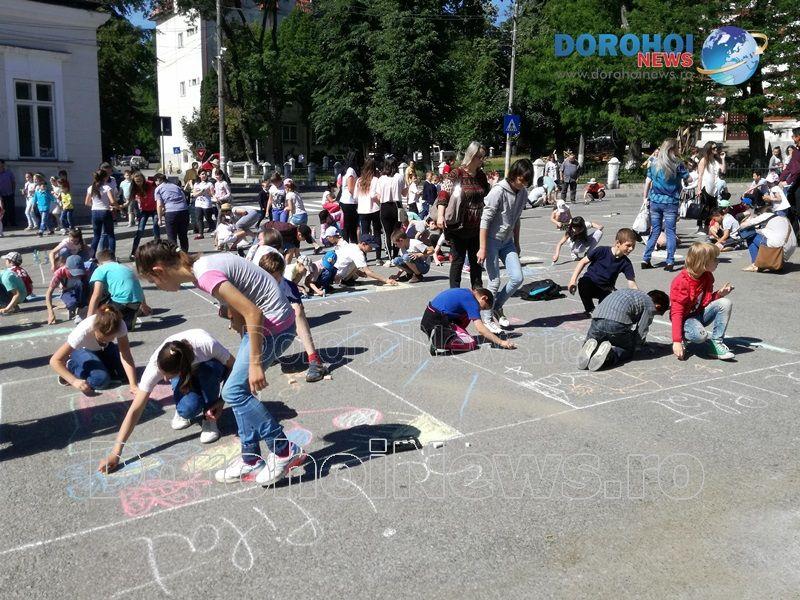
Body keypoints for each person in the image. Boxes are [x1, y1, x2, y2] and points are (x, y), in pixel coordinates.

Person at [132, 240, 305, 485]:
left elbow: (254, 312)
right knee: (237, 390)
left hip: (273, 327)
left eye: (153, 282)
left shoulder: (204, 274)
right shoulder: (200, 269)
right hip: (267, 325)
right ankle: (251, 458)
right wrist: (234, 317)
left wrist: (255, 363)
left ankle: (284, 450)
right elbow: (241, 299)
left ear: (158, 270)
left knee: (234, 391)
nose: (157, 287)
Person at [97, 332, 236, 472]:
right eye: (162, 373)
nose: (164, 379)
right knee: (188, 409)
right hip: (185, 372)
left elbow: (234, 367)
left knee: (210, 369)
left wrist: (221, 401)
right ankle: (183, 406)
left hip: (208, 367)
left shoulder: (206, 345)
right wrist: (115, 453)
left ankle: (210, 417)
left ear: (181, 371)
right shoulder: (155, 366)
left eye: (167, 375)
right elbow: (135, 410)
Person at [478, 158, 533, 333]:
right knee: (494, 281)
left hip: (507, 242)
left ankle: (496, 306)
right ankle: (487, 319)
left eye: (526, 182)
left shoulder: (523, 192)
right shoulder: (498, 191)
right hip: (492, 241)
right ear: (514, 175)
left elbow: (516, 219)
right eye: (521, 180)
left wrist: (517, 242)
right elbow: (485, 220)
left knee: (517, 278)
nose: (523, 184)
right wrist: (482, 248)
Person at [258, 251, 329, 382]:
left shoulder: (288, 286)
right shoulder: (253, 284)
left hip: (281, 327)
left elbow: (298, 311)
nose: (270, 281)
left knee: (297, 310)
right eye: (267, 277)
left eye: (274, 278)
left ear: (281, 274)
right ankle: (262, 353)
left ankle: (315, 361)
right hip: (262, 329)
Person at [436, 141, 496, 289]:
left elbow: (488, 197)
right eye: (480, 157)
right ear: (471, 156)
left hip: (477, 228)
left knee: (476, 264)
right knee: (458, 262)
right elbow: (443, 194)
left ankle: (477, 292)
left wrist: (494, 184)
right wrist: (440, 215)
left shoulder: (480, 176)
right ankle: (454, 294)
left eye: (483, 157)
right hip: (458, 228)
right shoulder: (457, 173)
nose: (482, 160)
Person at [49, 304, 138, 392]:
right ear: (95, 329)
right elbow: (55, 360)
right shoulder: (82, 332)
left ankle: (103, 365)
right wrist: (74, 381)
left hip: (102, 349)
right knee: (100, 380)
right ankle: (71, 365)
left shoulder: (119, 324)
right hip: (81, 350)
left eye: (112, 338)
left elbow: (126, 354)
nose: (107, 341)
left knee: (126, 375)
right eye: (101, 338)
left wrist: (133, 385)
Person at [669, 242, 735, 360]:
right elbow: (676, 312)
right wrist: (676, 341)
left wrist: (719, 294)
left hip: (699, 314)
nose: (718, 261)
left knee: (725, 303)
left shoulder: (707, 276)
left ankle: (716, 344)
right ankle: (683, 335)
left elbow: (705, 301)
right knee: (700, 336)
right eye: (714, 259)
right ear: (703, 262)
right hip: (685, 319)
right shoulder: (681, 282)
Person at [577, 289, 670, 371]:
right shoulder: (650, 305)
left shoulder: (635, 295)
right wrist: (636, 344)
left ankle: (590, 348)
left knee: (594, 339)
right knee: (627, 349)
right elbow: (642, 329)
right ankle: (609, 356)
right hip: (616, 324)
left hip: (597, 319)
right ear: (658, 306)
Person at [421, 287, 516, 355]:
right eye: (483, 307)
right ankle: (439, 341)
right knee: (470, 344)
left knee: (468, 314)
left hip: (431, 315)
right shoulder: (472, 302)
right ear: (484, 298)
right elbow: (480, 329)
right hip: (437, 319)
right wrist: (501, 342)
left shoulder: (468, 292)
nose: (480, 309)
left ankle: (451, 333)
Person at [641, 138, 690, 271]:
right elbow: (689, 178)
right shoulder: (677, 163)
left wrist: (645, 198)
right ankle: (670, 261)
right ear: (673, 149)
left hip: (655, 201)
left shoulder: (654, 163)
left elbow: (648, 180)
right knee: (670, 232)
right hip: (671, 201)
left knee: (655, 230)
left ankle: (646, 259)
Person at [568, 228, 639, 315]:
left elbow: (632, 283)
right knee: (583, 282)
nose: (631, 248)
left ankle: (602, 309)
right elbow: (582, 262)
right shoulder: (601, 250)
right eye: (628, 245)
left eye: (633, 246)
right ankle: (590, 309)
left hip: (606, 289)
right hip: (590, 284)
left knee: (606, 311)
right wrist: (572, 281)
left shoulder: (626, 263)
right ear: (618, 243)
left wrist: (639, 298)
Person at [88, 250, 149, 330]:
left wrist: (88, 319)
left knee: (104, 319)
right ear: (115, 259)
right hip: (136, 301)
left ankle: (112, 316)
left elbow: (96, 295)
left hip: (120, 301)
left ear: (99, 263)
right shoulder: (126, 268)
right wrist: (144, 305)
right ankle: (128, 318)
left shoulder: (100, 269)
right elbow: (138, 287)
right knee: (125, 326)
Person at [333, 234, 398, 287]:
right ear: (363, 244)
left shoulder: (352, 245)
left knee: (357, 267)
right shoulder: (358, 253)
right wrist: (386, 280)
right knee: (360, 263)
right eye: (370, 247)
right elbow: (368, 272)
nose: (371, 249)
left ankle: (347, 279)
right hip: (338, 275)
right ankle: (345, 281)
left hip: (335, 272)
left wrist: (362, 274)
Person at [377, 156, 407, 260]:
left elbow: (378, 196)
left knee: (387, 233)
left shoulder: (381, 178)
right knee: (397, 232)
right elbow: (404, 193)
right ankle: (395, 255)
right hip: (397, 205)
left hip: (385, 206)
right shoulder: (400, 177)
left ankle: (389, 257)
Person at [45, 255, 89, 324]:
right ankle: (72, 308)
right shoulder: (59, 273)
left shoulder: (86, 271)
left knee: (80, 284)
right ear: (67, 268)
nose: (77, 275)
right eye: (74, 272)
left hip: (80, 289)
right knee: (72, 303)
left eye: (79, 272)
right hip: (67, 291)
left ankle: (81, 308)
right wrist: (50, 313)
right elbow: (48, 293)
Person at [154, 172, 190, 252]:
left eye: (155, 181)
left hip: (171, 213)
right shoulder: (175, 186)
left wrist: (160, 219)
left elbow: (159, 205)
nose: (156, 183)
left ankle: (175, 253)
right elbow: (184, 198)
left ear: (158, 180)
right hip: (184, 211)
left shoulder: (158, 189)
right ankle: (185, 252)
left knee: (171, 236)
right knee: (183, 235)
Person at [355, 158, 383, 263]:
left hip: (362, 210)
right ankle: (378, 257)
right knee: (377, 233)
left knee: (365, 233)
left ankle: (364, 256)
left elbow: (355, 196)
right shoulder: (375, 180)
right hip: (374, 208)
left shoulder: (359, 180)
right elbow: (374, 195)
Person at [85, 170, 118, 256]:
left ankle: (92, 256)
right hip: (105, 211)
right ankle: (112, 256)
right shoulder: (107, 188)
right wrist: (117, 206)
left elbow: (87, 202)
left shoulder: (90, 188)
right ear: (105, 178)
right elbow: (112, 201)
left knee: (96, 236)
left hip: (95, 212)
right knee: (110, 235)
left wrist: (94, 205)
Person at [129, 172, 161, 260]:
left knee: (156, 227)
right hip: (144, 210)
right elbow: (131, 200)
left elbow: (159, 191)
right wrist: (122, 207)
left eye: (140, 180)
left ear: (143, 179)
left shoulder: (150, 184)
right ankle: (133, 252)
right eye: (137, 181)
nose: (139, 183)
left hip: (154, 209)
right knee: (140, 230)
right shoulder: (134, 187)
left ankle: (158, 250)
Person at [695, 141, 726, 233]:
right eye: (713, 148)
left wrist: (723, 159)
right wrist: (699, 189)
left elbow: (723, 171)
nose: (716, 149)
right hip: (705, 187)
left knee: (712, 209)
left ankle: (707, 226)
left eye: (716, 148)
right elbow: (700, 175)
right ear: (708, 149)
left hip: (714, 188)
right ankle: (700, 227)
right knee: (703, 207)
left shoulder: (716, 160)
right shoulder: (704, 160)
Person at [338, 152, 360, 243]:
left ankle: (348, 242)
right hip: (349, 201)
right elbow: (351, 188)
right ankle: (351, 243)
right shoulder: (351, 171)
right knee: (351, 226)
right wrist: (358, 197)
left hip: (345, 201)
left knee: (348, 225)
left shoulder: (346, 170)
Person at [191, 170, 215, 239]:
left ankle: (214, 229)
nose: (204, 175)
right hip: (198, 203)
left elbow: (212, 194)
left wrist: (208, 192)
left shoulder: (209, 184)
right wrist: (201, 192)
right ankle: (200, 234)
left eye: (205, 174)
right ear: (199, 175)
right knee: (199, 218)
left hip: (206, 203)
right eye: (202, 174)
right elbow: (194, 194)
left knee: (208, 218)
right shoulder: (196, 184)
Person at [0, 159, 16, 229]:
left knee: (11, 208)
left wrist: (13, 191)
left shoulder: (9, 173)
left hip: (9, 193)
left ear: (3, 164)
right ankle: (4, 223)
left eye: (0, 163)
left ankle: (13, 222)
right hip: (1, 195)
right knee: (2, 208)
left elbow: (13, 182)